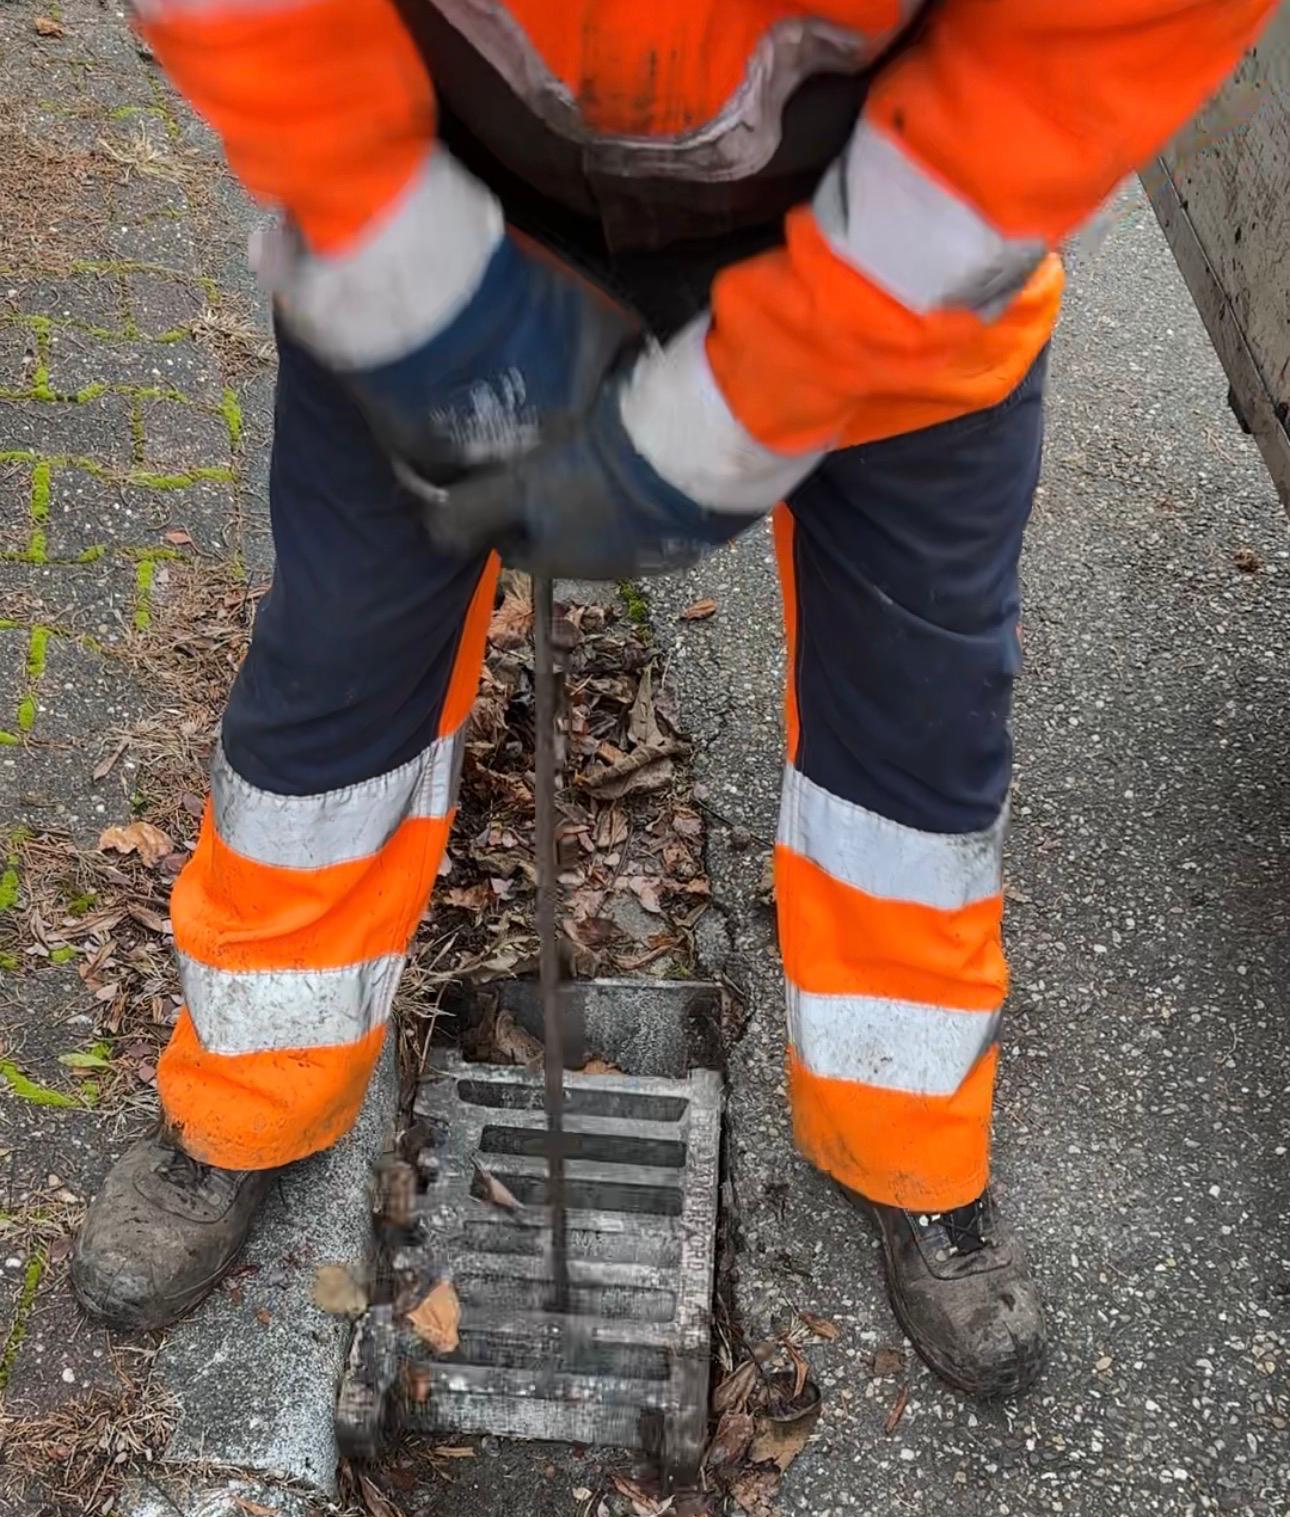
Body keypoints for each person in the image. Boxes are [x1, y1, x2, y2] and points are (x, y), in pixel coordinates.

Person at [73, 0, 1271, 1399]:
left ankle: (907, 1139)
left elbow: (1088, 48)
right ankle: (245, 1101)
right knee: (337, 675)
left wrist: (750, 397)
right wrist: (406, 261)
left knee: (913, 731)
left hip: (904, 234)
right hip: (435, 188)